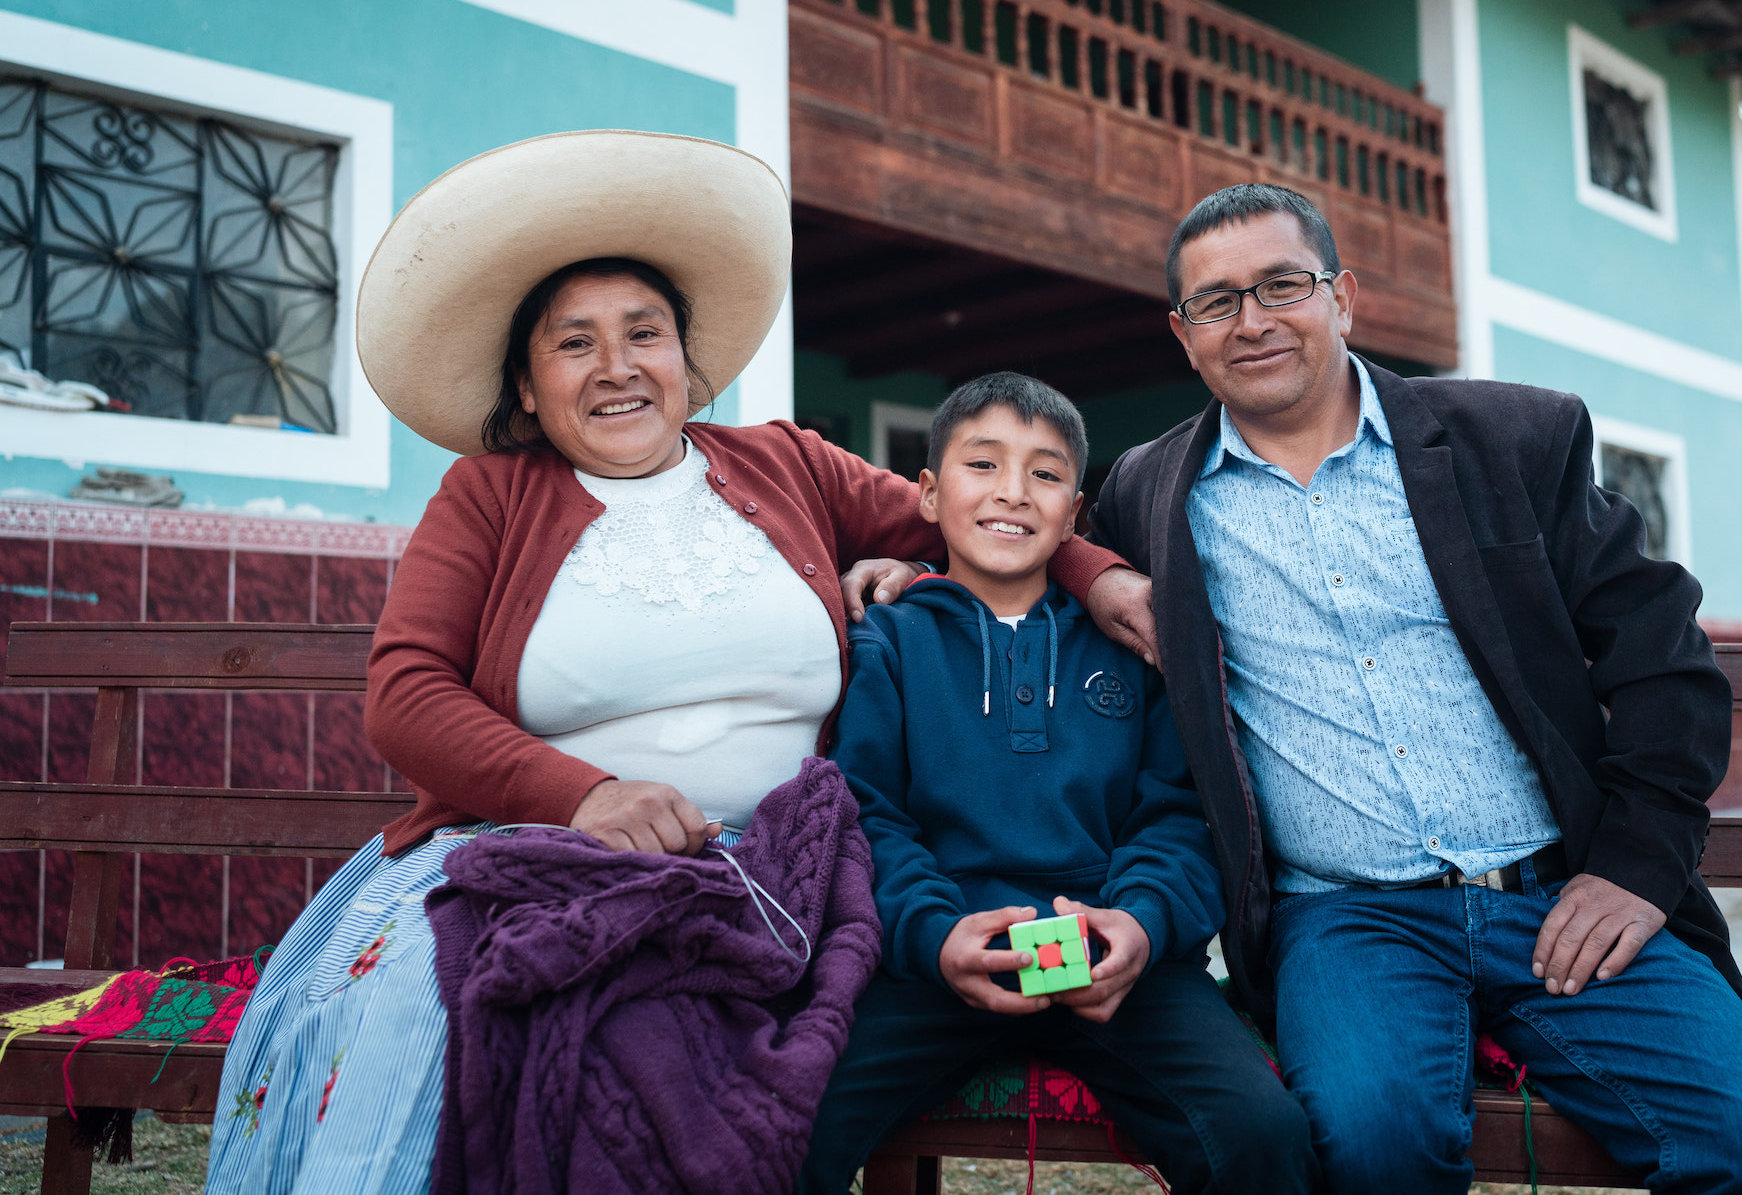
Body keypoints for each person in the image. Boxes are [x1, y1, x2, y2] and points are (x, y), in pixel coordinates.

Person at [204, 132, 1151, 1195]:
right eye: (573, 343)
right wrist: (587, 797)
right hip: (530, 851)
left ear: (686, 357)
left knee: (678, 1058)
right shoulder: (487, 493)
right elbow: (407, 697)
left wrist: (1100, 576)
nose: (616, 366)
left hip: (776, 872)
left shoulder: (785, 462)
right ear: (526, 378)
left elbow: (979, 512)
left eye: (642, 332)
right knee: (449, 1016)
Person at [1082, 184, 1742, 1194]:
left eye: (1281, 284)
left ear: (1342, 297)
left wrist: (1634, 862)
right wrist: (1086, 572)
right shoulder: (1148, 490)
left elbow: (1661, 654)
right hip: (1345, 921)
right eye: (1215, 302)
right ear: (1183, 335)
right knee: (1370, 1145)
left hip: (1560, 893)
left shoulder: (1507, 439)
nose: (1251, 319)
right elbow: (1011, 523)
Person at [799, 373, 1319, 1195]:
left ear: (1076, 512)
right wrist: (934, 934)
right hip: (936, 957)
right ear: (929, 493)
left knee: (1262, 1133)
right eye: (983, 465)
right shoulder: (888, 640)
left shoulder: (1129, 640)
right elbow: (867, 817)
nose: (1013, 492)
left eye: (1045, 474)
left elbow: (1179, 816)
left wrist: (1141, 925)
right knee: (788, 1121)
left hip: (1113, 961)